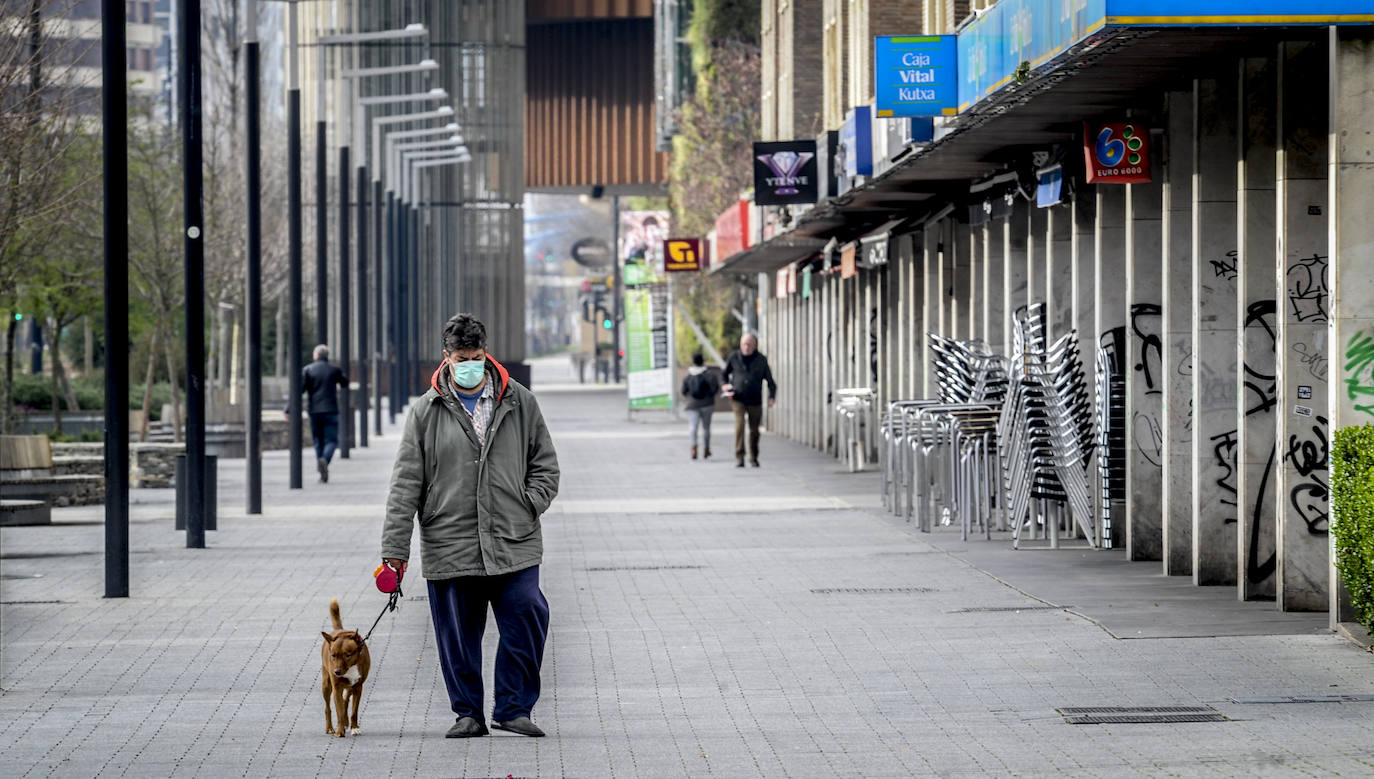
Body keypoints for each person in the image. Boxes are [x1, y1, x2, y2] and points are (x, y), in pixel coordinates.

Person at [381, 313, 560, 739]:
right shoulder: (425, 412)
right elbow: (405, 483)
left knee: (527, 614)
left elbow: (546, 466)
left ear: (486, 354)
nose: (471, 365)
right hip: (450, 541)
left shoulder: (518, 401)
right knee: (457, 635)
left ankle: (514, 709)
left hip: (513, 538)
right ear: (447, 357)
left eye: (477, 357)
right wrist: (395, 551)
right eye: (462, 358)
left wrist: (527, 504)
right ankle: (468, 713)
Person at [722, 333, 777, 468]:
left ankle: (753, 457)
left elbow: (771, 382)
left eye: (749, 344)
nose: (746, 347)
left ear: (755, 345)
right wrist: (725, 384)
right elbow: (724, 374)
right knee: (739, 426)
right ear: (740, 345)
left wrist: (771, 397)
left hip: (754, 399)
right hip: (738, 398)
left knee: (754, 430)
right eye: (744, 344)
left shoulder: (761, 360)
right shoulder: (734, 357)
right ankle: (740, 457)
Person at [302, 344, 347, 483]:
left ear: (316, 355)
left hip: (314, 411)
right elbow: (345, 383)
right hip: (331, 410)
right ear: (327, 355)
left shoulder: (308, 369)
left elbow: (300, 389)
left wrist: (288, 409)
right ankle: (325, 460)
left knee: (318, 441)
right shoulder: (334, 370)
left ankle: (321, 467)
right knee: (332, 440)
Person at [680, 353, 720, 460]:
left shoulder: (688, 375)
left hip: (692, 405)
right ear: (703, 361)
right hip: (707, 404)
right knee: (706, 428)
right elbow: (715, 388)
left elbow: (683, 391)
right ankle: (706, 449)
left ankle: (693, 448)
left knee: (693, 427)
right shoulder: (709, 374)